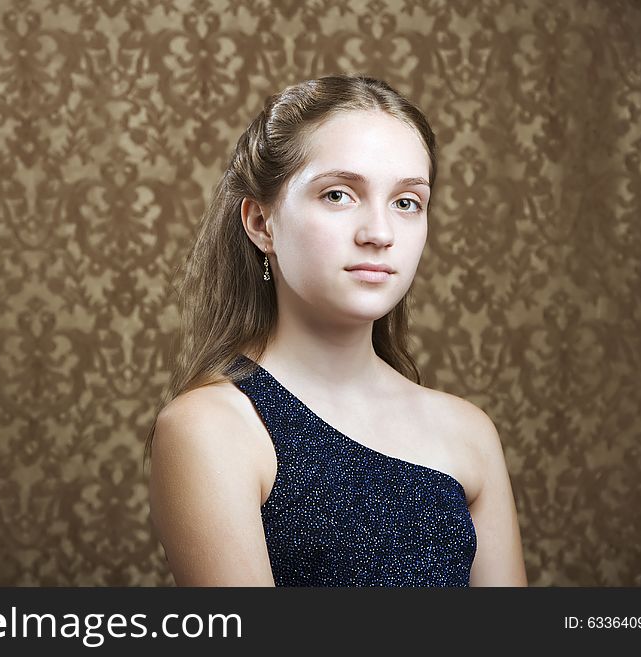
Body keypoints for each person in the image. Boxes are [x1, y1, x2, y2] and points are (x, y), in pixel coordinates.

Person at [144, 74, 527, 587]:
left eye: (407, 202)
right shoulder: (214, 428)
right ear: (262, 223)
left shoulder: (468, 433)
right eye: (339, 194)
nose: (379, 233)